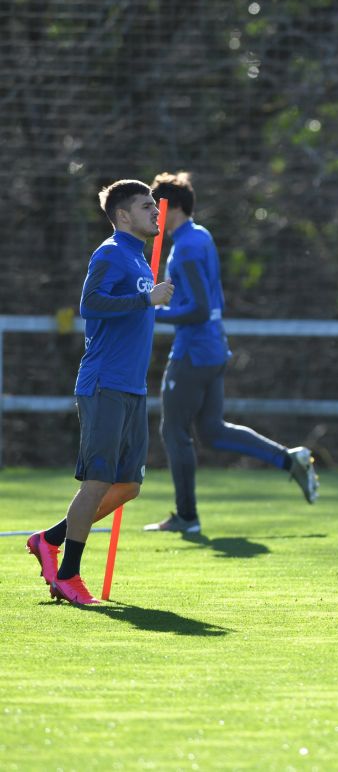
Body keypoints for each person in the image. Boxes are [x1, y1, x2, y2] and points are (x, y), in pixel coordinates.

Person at [142, 172, 318, 535]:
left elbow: (198, 309)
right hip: (213, 347)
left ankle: (187, 516)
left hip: (193, 352)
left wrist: (152, 312)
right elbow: (211, 300)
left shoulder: (185, 248)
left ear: (173, 207)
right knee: (212, 431)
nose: (154, 216)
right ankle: (290, 460)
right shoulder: (200, 236)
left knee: (174, 431)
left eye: (155, 208)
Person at [26, 180, 174, 605]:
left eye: (155, 206)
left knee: (128, 486)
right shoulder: (110, 253)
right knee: (98, 481)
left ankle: (48, 539)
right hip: (104, 383)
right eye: (146, 206)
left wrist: (153, 299)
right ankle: (68, 575)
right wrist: (146, 300)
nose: (155, 212)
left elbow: (135, 308)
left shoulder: (139, 259)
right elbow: (90, 304)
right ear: (123, 216)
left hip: (133, 387)